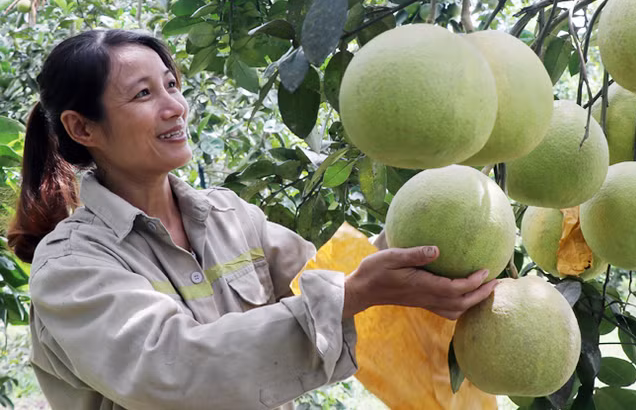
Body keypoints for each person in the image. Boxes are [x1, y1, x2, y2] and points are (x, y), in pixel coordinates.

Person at [7, 30, 499, 410]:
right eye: (143, 95)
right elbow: (172, 369)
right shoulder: (72, 264)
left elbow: (333, 274)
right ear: (82, 127)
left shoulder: (229, 215)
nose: (175, 107)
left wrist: (435, 222)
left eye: (172, 85)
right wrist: (353, 294)